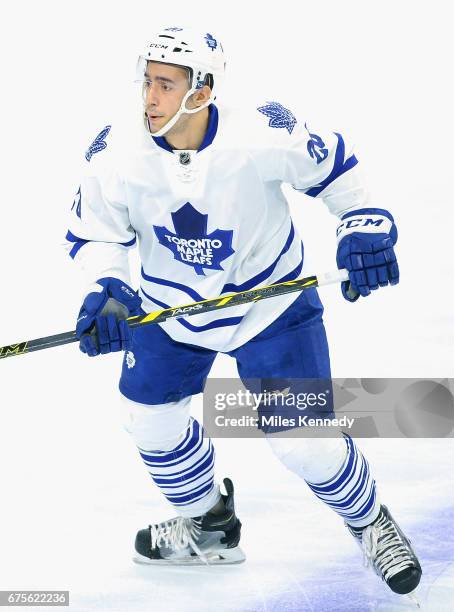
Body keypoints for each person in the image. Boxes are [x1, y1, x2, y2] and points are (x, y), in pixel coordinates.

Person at [65, 26, 421, 598]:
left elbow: (339, 173)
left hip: (270, 306)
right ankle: (211, 528)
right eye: (147, 82)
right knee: (147, 421)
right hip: (169, 310)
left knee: (305, 441)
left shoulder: (261, 131)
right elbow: (95, 233)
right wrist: (106, 288)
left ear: (202, 92)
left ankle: (370, 521)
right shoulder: (114, 151)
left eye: (164, 84)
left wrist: (363, 227)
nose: (148, 98)